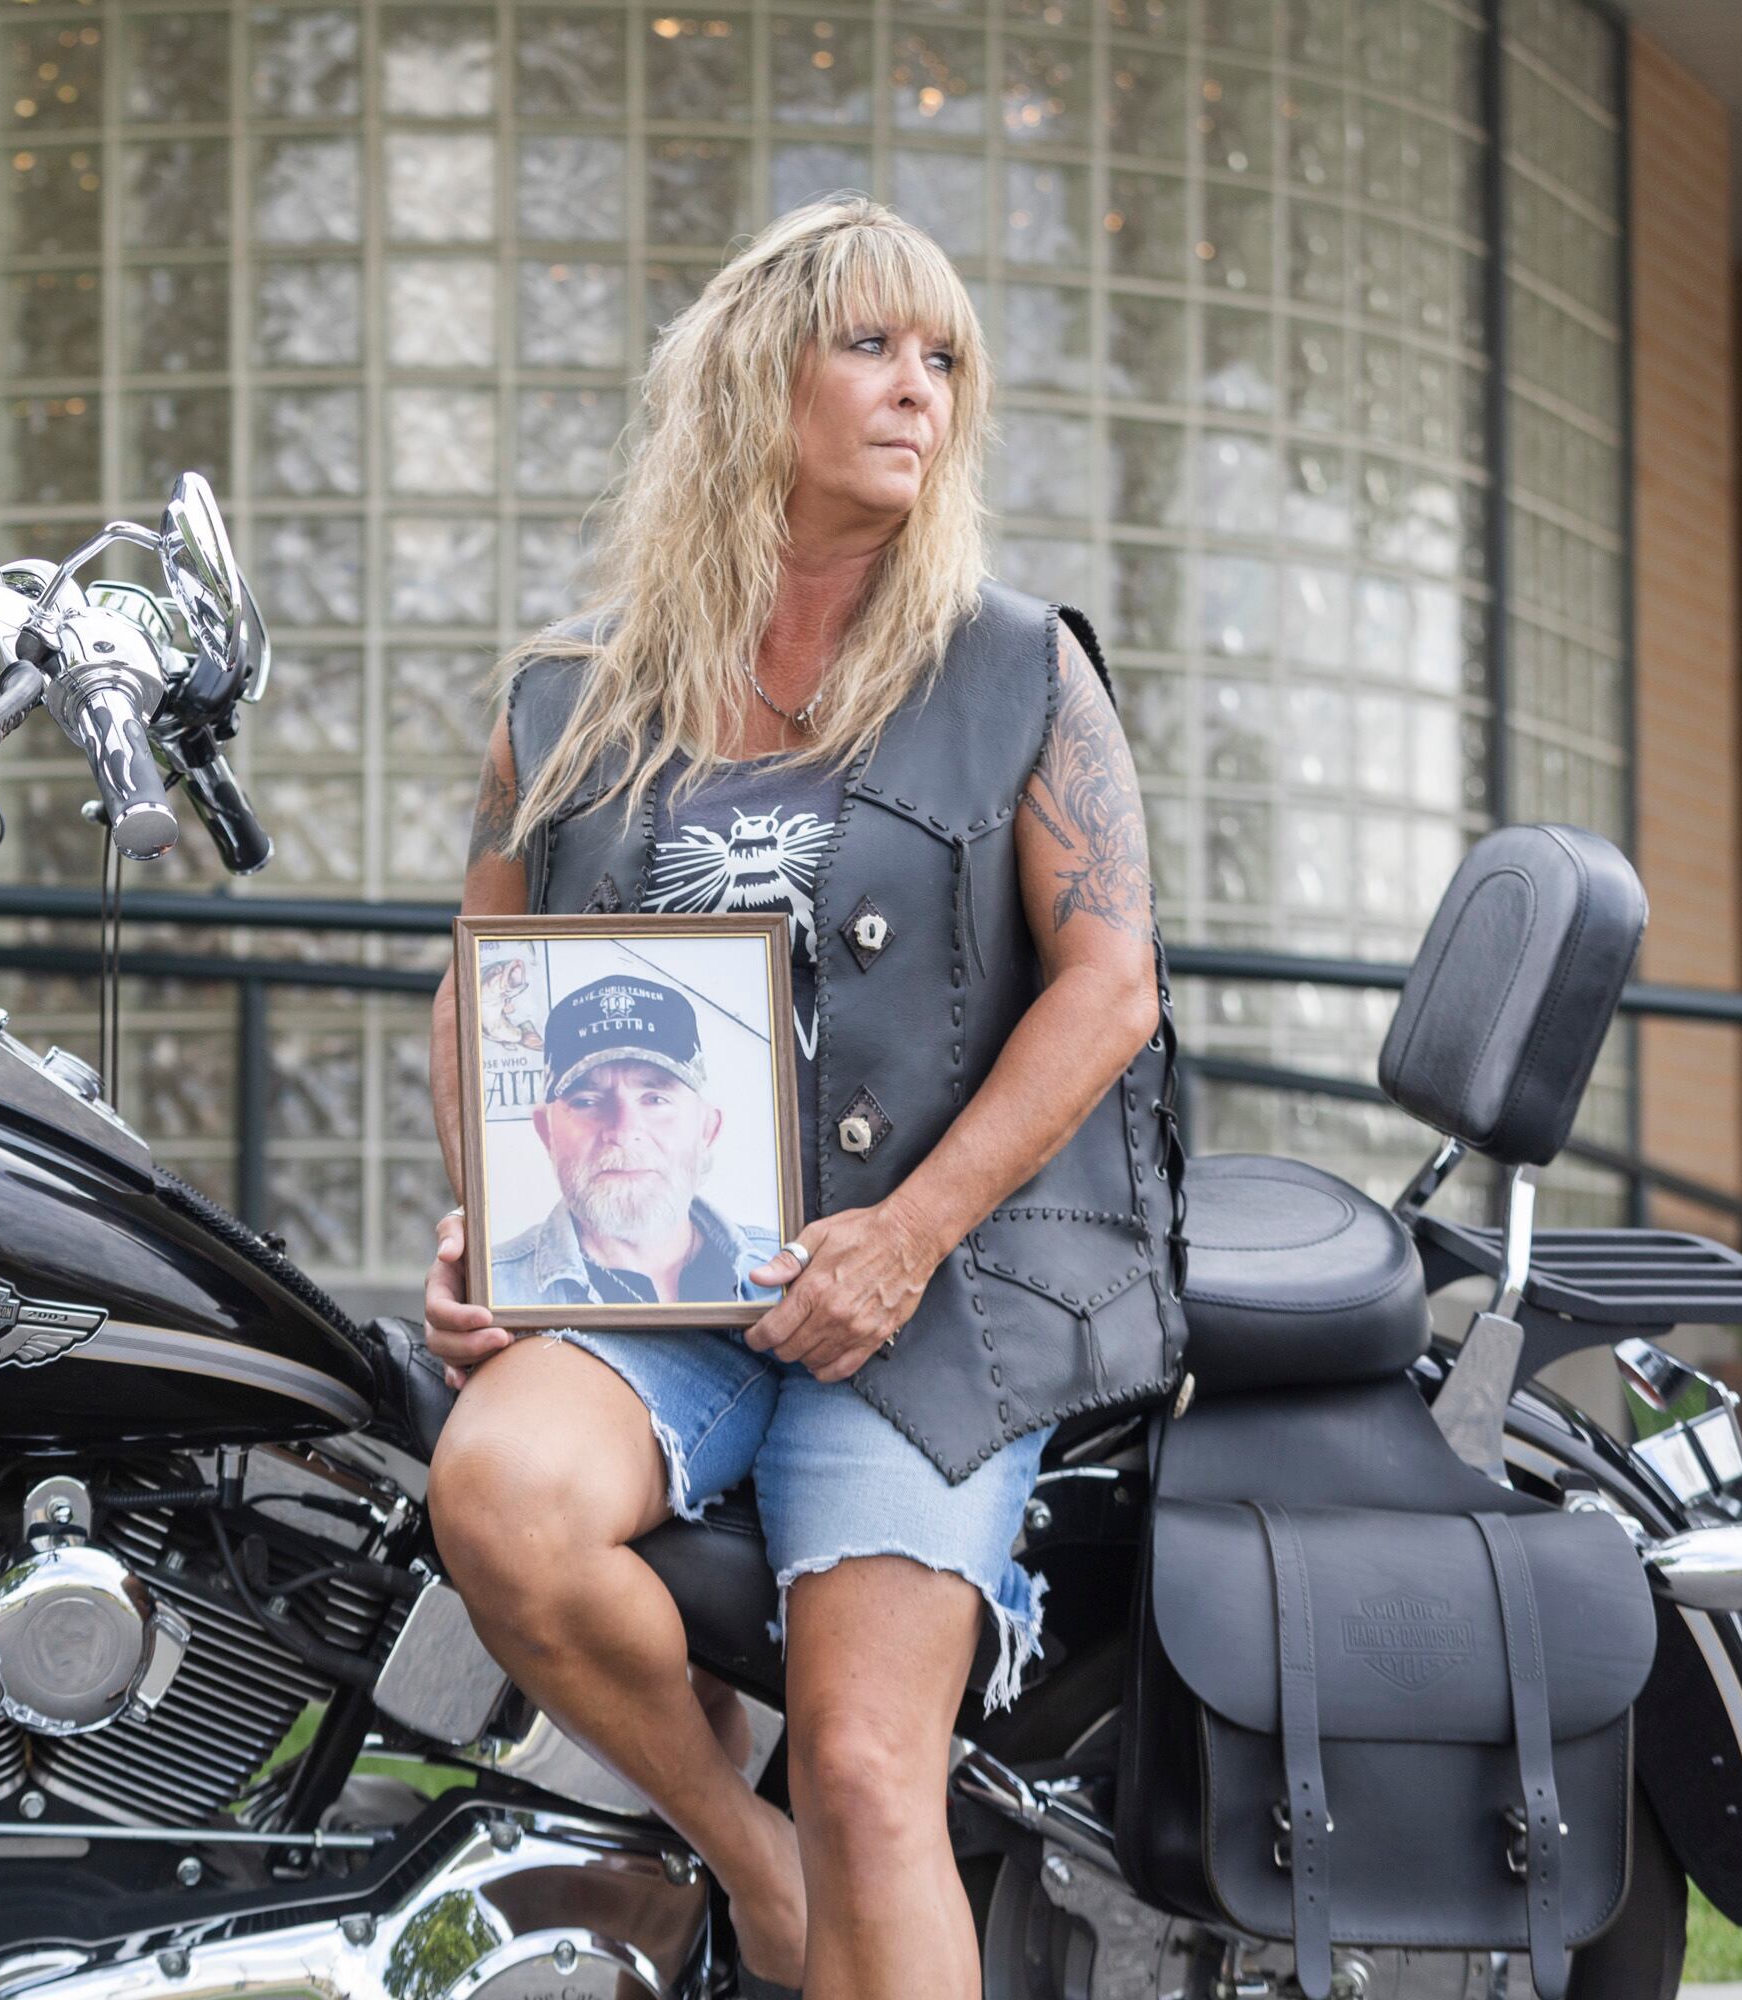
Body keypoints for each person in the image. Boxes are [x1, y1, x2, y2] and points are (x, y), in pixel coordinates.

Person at [421, 194, 1176, 2000]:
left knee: (863, 1768)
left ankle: (801, 1842)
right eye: (874, 347)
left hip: (933, 1299)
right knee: (501, 1497)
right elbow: (478, 988)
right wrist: (493, 1224)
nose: (920, 391)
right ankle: (738, 1854)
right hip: (665, 1287)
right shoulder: (568, 700)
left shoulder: (1018, 674)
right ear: (757, 383)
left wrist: (906, 1239)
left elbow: (1112, 987)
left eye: (944, 361)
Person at [484, 973, 783, 1308]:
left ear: (707, 1128)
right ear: (545, 1132)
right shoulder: (491, 1290)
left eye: (655, 1099)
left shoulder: (794, 1273)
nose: (624, 1131)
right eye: (587, 1101)